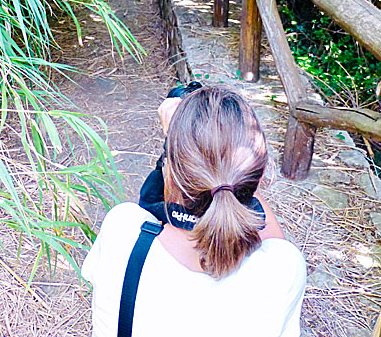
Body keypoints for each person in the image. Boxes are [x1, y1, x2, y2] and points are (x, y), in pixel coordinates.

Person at [82, 85, 307, 337]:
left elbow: (157, 204)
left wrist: (174, 141)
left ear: (172, 169)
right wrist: (227, 166)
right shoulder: (283, 271)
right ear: (260, 176)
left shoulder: (122, 230)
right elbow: (274, 243)